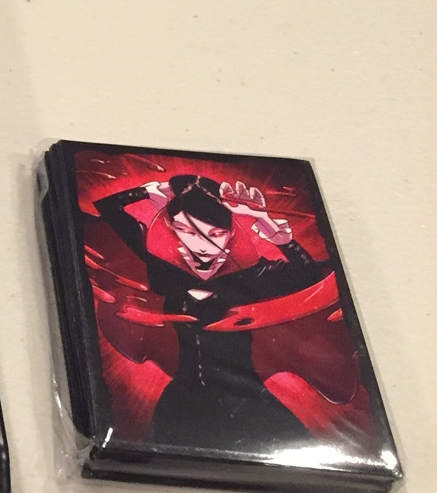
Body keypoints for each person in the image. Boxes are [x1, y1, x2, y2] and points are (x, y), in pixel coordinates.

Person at [95, 175, 329, 450]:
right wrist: (152, 190)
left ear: (231, 232)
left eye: (216, 233)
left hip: (245, 398)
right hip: (183, 402)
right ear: (173, 228)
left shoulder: (250, 273)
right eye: (188, 231)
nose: (203, 246)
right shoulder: (165, 269)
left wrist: (267, 224)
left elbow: (312, 279)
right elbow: (107, 207)